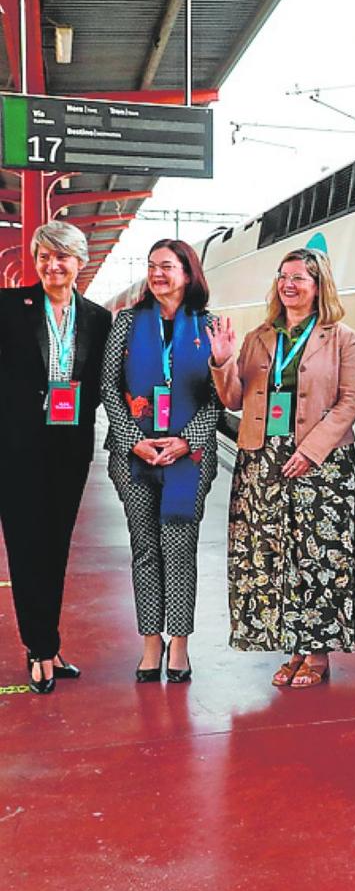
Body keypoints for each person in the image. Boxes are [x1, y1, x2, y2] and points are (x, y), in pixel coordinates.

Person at [207, 248, 355, 687]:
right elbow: (234, 399)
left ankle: (317, 652)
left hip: (321, 468)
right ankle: (293, 645)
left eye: (299, 277)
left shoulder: (341, 337)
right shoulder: (260, 336)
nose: (289, 285)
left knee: (316, 557)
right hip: (262, 462)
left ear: (319, 285)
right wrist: (223, 361)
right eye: (283, 277)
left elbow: (350, 401)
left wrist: (312, 450)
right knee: (275, 557)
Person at [0, 222, 112, 693]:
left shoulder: (97, 319)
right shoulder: (7, 309)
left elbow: (104, 383)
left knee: (56, 547)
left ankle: (48, 643)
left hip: (70, 447)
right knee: (27, 549)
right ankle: (40, 648)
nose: (52, 265)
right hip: (16, 449)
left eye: (62, 256)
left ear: (79, 262)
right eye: (44, 256)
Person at [102, 240, 220, 683]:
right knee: (145, 550)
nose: (157, 274)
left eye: (166, 267)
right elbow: (108, 387)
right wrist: (133, 439)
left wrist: (186, 441)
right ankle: (151, 642)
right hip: (134, 458)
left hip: (189, 458)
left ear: (188, 274)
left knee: (180, 550)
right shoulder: (128, 324)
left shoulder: (208, 327)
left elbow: (219, 398)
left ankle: (181, 644)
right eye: (152, 266)